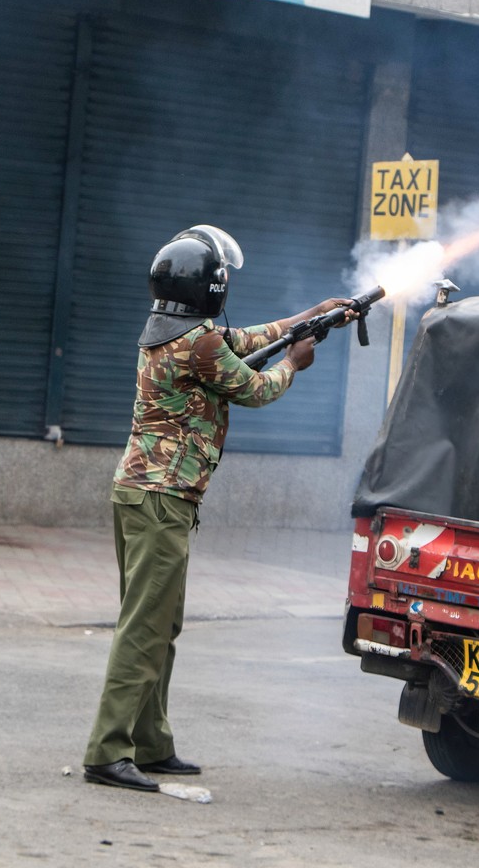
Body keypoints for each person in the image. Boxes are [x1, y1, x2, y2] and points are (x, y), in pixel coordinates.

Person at [82, 224, 350, 792]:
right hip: (162, 500)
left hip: (144, 494)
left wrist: (313, 315)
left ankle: (150, 743)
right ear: (211, 287)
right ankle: (108, 750)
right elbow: (253, 387)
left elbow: (245, 340)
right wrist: (294, 362)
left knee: (159, 623)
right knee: (143, 627)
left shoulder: (171, 332)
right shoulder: (198, 343)